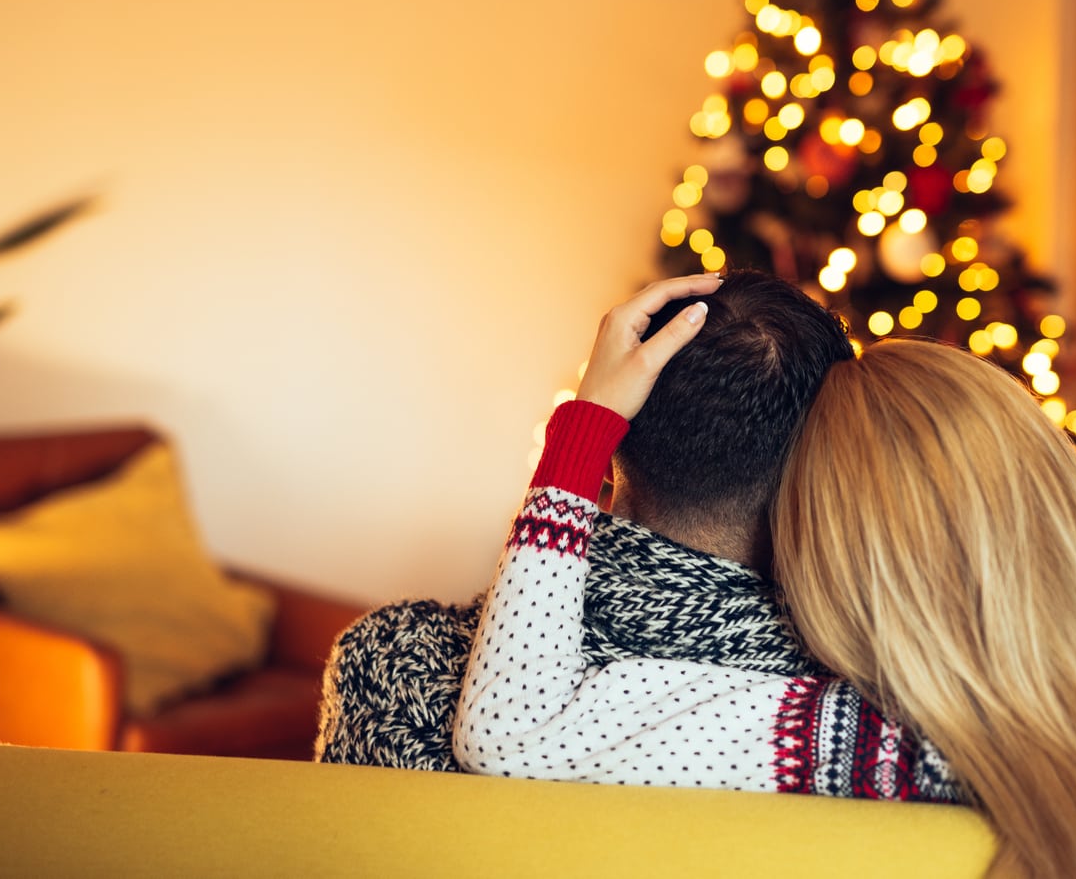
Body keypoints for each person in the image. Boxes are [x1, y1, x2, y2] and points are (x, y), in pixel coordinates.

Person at [453, 276, 1076, 879]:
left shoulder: (841, 741)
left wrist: (585, 433)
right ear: (1056, 494)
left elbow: (503, 733)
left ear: (836, 562)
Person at [314, 270, 854, 768]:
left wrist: (585, 425)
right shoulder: (855, 713)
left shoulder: (389, 662)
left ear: (614, 451)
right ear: (820, 471)